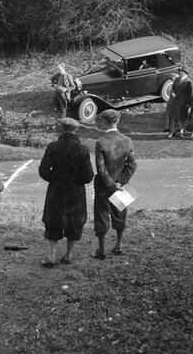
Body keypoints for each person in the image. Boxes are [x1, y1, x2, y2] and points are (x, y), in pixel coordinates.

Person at [38, 117, 95, 267]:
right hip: (75, 193)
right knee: (74, 224)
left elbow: (43, 171)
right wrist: (76, 180)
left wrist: (55, 178)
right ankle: (68, 255)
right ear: (76, 130)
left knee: (52, 223)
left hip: (56, 191)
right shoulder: (82, 150)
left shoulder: (52, 147)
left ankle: (51, 257)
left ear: (61, 129)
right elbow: (88, 176)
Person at [92, 109, 137, 259]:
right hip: (122, 185)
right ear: (118, 121)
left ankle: (101, 249)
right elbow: (132, 165)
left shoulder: (100, 142)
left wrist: (111, 184)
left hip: (104, 185)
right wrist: (120, 182)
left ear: (104, 122)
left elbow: (101, 169)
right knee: (120, 214)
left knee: (102, 214)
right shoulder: (127, 141)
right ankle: (118, 245)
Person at [166, 68, 193, 138]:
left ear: (186, 73)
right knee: (174, 116)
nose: (181, 73)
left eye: (182, 72)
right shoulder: (177, 79)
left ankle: (181, 132)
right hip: (175, 100)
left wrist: (188, 103)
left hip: (183, 101)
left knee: (182, 118)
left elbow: (189, 94)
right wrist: (172, 93)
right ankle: (173, 131)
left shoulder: (188, 82)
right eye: (180, 72)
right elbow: (173, 88)